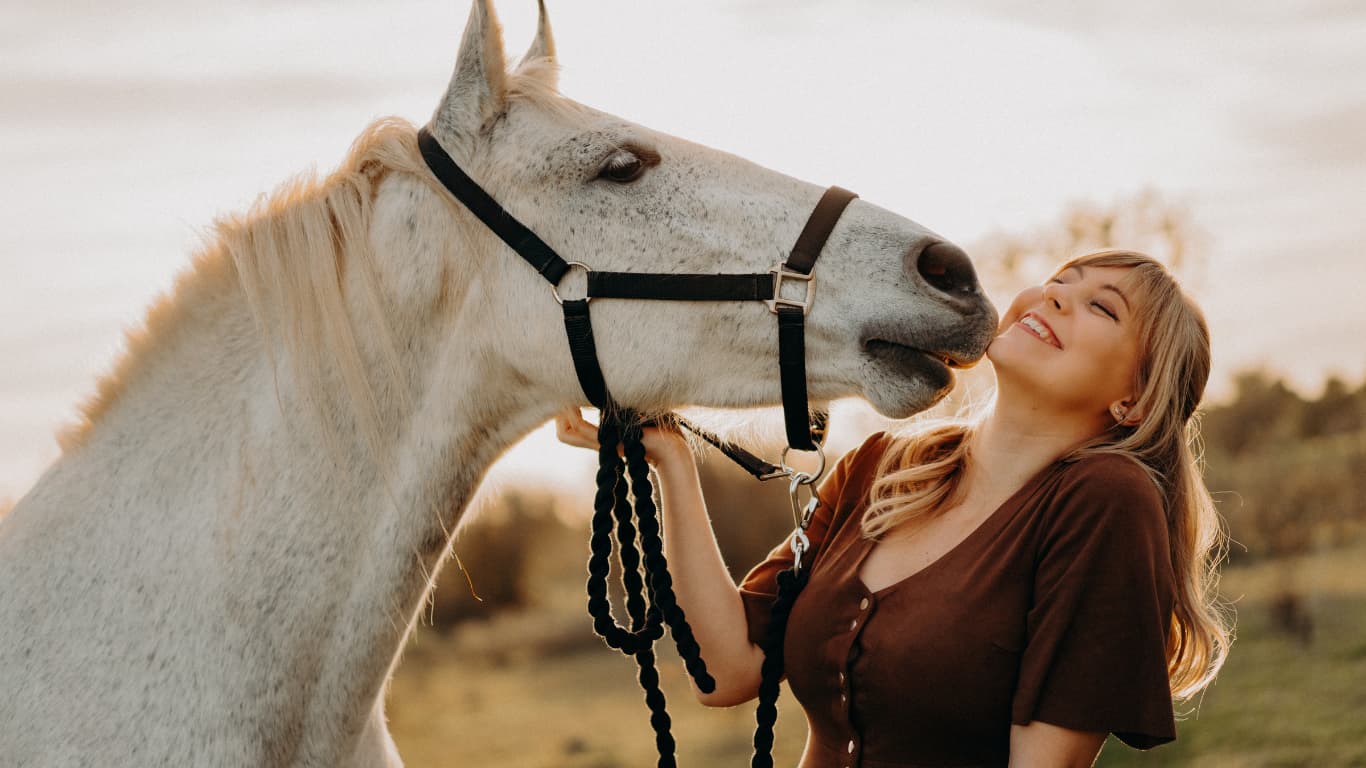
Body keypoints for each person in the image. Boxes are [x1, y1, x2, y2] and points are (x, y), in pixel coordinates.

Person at [556, 249, 1230, 767]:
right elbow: (726, 668)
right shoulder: (881, 465)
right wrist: (671, 462)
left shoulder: (1106, 501)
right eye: (1061, 280)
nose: (1055, 295)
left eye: (1101, 307)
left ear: (1135, 402)